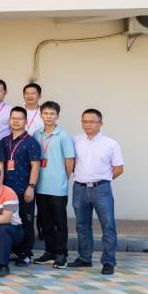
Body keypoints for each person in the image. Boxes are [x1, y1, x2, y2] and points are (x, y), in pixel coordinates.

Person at [67, 109, 124, 275]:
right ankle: (85, 258)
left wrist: (103, 180)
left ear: (101, 123)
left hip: (101, 189)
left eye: (92, 121)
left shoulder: (111, 144)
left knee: (108, 225)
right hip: (79, 188)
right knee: (82, 225)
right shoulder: (75, 141)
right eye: (84, 121)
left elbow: (119, 168)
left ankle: (108, 261)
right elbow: (70, 162)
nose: (88, 125)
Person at [33, 101, 75, 268]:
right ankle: (50, 252)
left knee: (60, 223)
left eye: (52, 114)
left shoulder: (63, 135)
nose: (49, 116)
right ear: (41, 115)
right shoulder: (36, 134)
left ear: (57, 116)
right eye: (46, 113)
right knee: (45, 223)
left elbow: (69, 160)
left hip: (58, 188)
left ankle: (61, 254)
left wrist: (63, 178)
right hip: (40, 186)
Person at [2, 107, 41, 266]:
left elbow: (35, 166)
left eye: (19, 118)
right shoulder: (4, 141)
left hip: (24, 189)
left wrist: (31, 187)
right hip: (6, 190)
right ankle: (14, 250)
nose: (16, 121)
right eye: (13, 118)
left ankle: (26, 254)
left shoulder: (31, 142)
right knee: (8, 221)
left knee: (26, 221)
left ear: (25, 121)